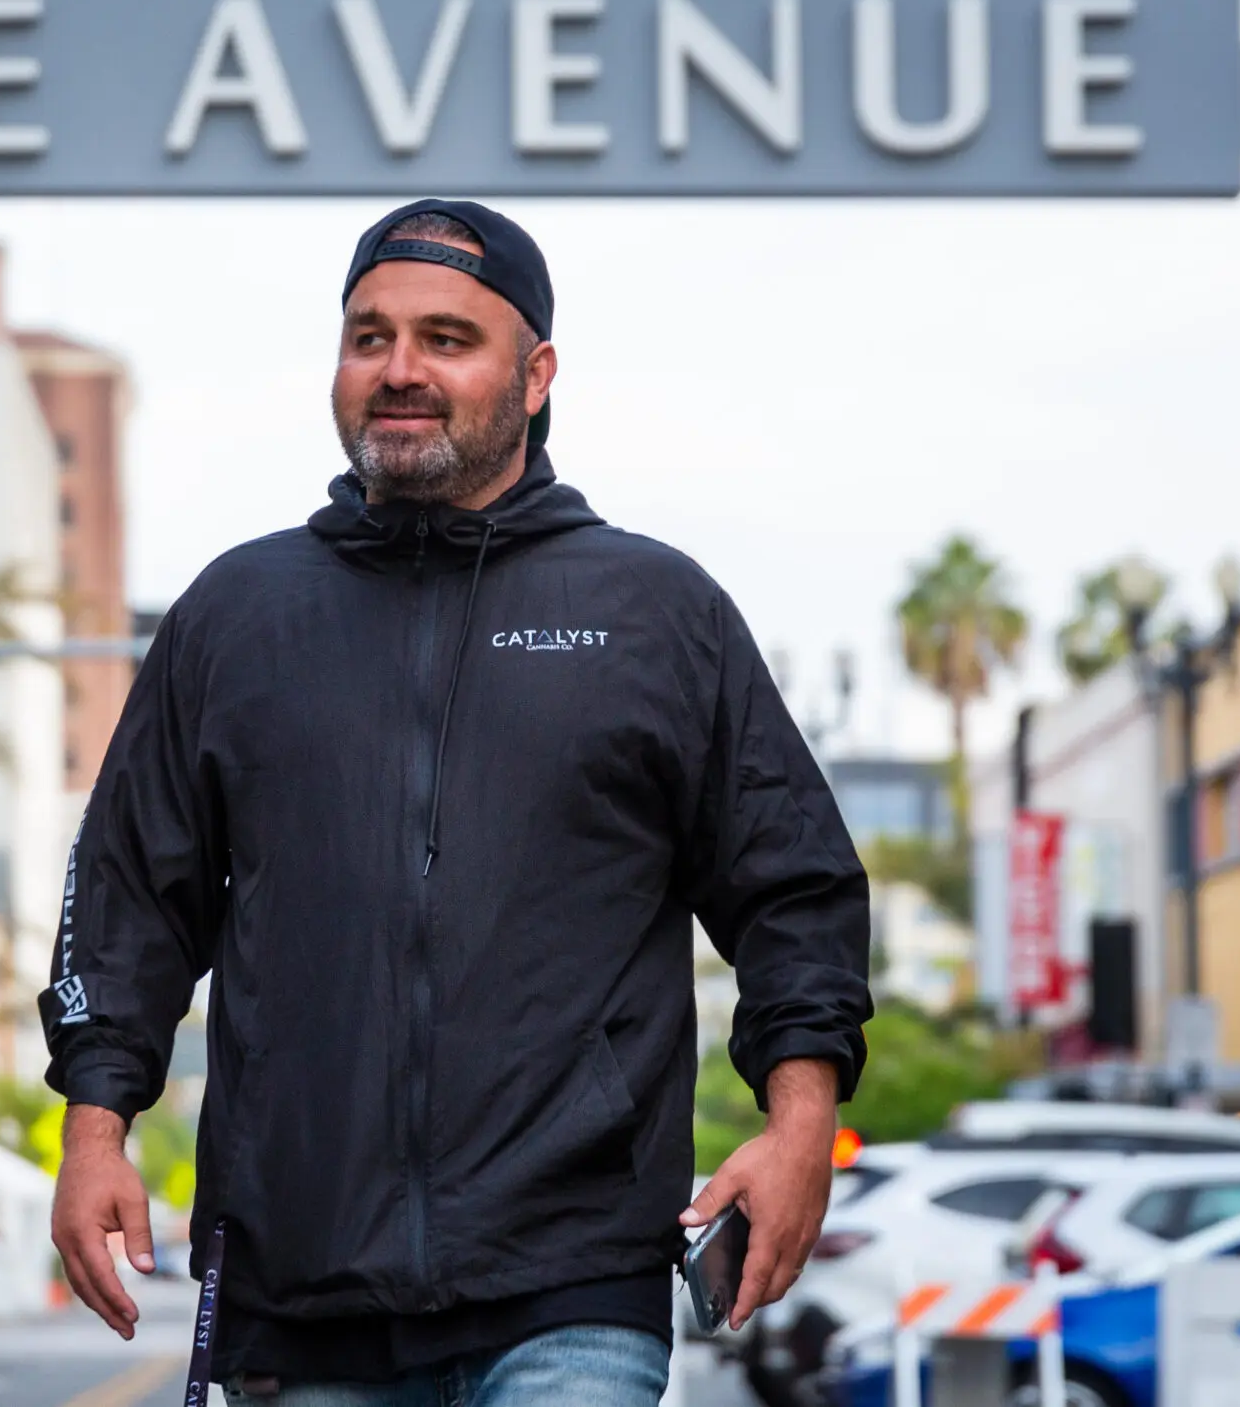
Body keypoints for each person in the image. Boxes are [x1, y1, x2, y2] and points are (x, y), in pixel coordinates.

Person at [43, 199, 872, 1407]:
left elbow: (792, 887)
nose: (399, 372)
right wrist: (94, 1128)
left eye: (444, 339)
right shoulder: (237, 614)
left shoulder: (654, 612)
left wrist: (800, 1128)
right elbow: (129, 895)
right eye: (369, 338)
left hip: (572, 1281)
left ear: (533, 375)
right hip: (297, 1292)